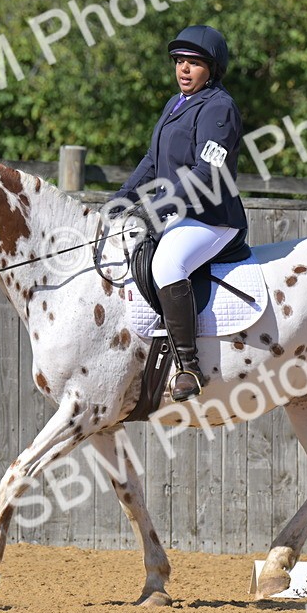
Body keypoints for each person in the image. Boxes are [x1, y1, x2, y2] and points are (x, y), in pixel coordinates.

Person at [115, 25, 248, 401]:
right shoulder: (176, 103)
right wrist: (122, 199)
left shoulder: (218, 107)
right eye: (179, 62)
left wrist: (155, 206)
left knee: (167, 265)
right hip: (177, 213)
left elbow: (207, 174)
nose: (184, 70)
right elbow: (153, 161)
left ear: (212, 69)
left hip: (213, 218)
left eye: (194, 63)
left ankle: (188, 365)